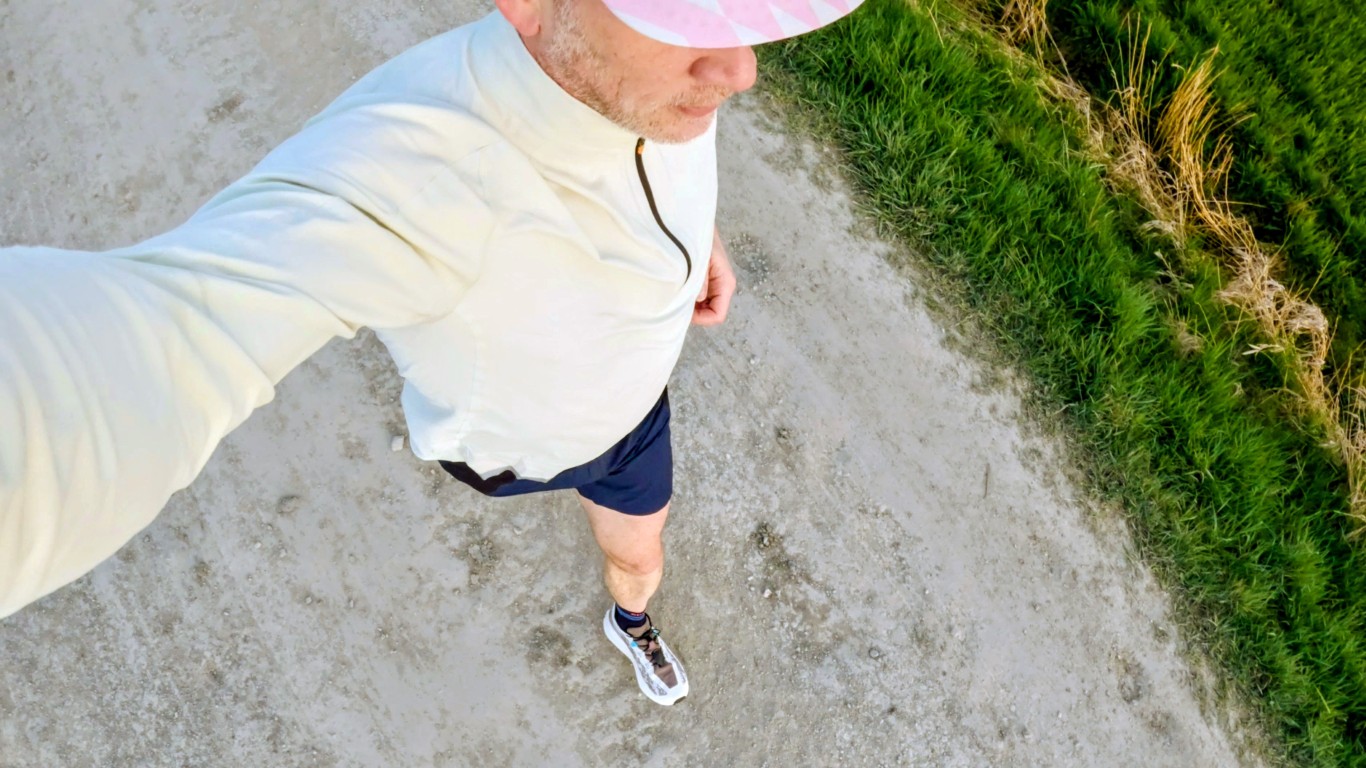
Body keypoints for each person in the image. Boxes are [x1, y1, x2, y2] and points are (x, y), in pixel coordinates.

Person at [0, 0, 863, 705]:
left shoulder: (632, 80)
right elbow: (163, 338)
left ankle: (630, 621)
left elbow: (652, 146)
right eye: (680, 14)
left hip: (638, 420)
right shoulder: (418, 165)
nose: (740, 68)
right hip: (526, 451)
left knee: (639, 558)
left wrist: (688, 237)